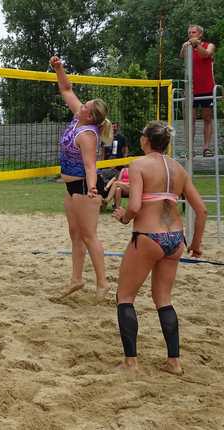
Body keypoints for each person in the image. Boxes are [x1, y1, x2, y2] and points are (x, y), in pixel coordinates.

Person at [112, 121, 207, 375]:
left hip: (148, 236)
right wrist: (196, 243)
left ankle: (131, 362)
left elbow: (133, 207)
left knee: (125, 297)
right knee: (163, 299)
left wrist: (122, 217)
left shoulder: (138, 165)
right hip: (176, 239)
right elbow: (202, 210)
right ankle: (174, 361)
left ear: (145, 140)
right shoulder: (178, 168)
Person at [50, 56, 113, 301]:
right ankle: (76, 280)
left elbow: (90, 165)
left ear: (91, 116)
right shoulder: (79, 117)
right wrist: (59, 68)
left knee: (89, 236)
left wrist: (94, 189)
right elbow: (66, 88)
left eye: (85, 107)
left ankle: (103, 283)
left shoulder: (87, 134)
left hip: (85, 186)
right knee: (75, 235)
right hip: (71, 186)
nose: (81, 106)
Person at [180, 24, 216, 157]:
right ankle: (189, 149)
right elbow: (182, 55)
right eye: (189, 33)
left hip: (207, 88)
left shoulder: (209, 45)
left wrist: (196, 45)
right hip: (191, 88)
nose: (190, 35)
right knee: (190, 119)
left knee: (207, 118)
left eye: (193, 32)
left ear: (200, 34)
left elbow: (206, 54)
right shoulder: (187, 47)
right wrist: (187, 45)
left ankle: (206, 148)